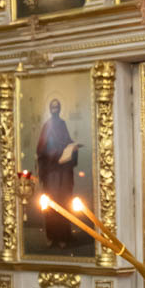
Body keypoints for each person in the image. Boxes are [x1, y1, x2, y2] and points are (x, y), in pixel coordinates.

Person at [36, 98, 81, 249]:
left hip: (63, 172)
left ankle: (64, 236)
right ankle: (52, 237)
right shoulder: (47, 126)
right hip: (52, 173)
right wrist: (55, 153)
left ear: (60, 109)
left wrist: (73, 147)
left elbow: (66, 140)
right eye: (53, 107)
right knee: (52, 205)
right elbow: (41, 149)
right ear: (50, 109)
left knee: (64, 202)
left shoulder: (62, 124)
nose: (55, 110)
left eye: (57, 107)